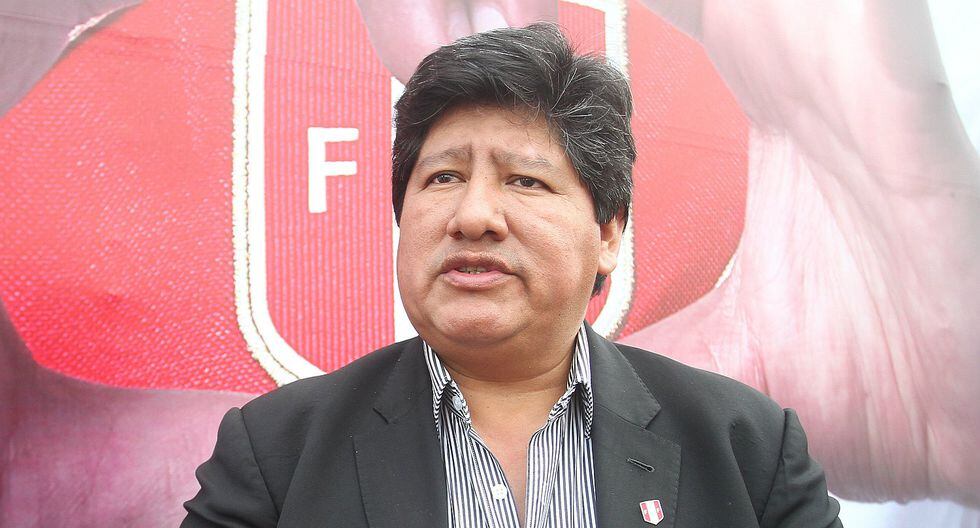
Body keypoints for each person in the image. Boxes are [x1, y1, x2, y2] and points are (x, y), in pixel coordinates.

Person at [181, 24, 841, 527]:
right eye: (443, 177)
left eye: (525, 180)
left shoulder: (748, 450)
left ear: (608, 233)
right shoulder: (277, 454)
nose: (473, 217)